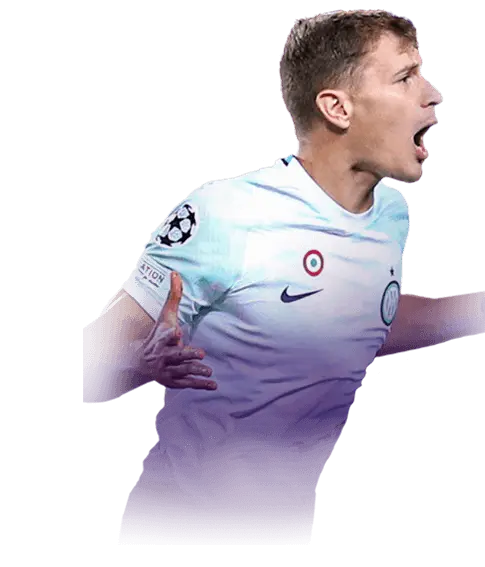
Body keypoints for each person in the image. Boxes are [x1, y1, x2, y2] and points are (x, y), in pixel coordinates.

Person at [82, 9, 484, 547]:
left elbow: (356, 315)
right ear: (337, 107)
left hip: (287, 527)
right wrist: (138, 359)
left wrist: (477, 309)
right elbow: (92, 356)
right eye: (406, 77)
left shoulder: (391, 215)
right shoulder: (227, 213)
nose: (434, 95)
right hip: (181, 526)